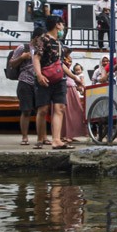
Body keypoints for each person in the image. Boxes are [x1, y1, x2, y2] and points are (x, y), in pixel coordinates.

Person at [31, 16, 83, 150]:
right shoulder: (44, 39)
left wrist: (75, 78)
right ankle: (40, 138)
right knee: (43, 109)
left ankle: (56, 140)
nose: (63, 27)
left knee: (60, 108)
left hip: (59, 80)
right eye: (62, 24)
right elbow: (36, 58)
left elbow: (60, 64)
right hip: (45, 79)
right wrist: (39, 75)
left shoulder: (59, 43)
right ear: (57, 25)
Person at [9, 27, 44, 145]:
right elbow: (12, 63)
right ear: (35, 38)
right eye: (41, 39)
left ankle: (43, 137)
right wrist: (22, 57)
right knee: (26, 111)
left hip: (39, 82)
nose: (43, 41)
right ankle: (24, 137)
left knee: (42, 110)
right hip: (25, 82)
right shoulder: (23, 48)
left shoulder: (43, 49)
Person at [60, 47, 86, 143]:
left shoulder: (66, 59)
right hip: (65, 86)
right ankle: (65, 135)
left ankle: (70, 134)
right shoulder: (60, 60)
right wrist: (76, 79)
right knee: (66, 112)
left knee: (75, 111)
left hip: (71, 86)